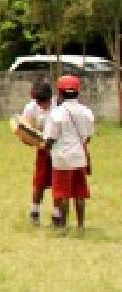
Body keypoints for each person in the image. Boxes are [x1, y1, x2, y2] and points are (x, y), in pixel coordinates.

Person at [43, 74, 94, 231]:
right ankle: (80, 225)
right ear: (78, 91)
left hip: (62, 157)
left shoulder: (56, 113)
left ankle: (63, 225)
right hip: (79, 156)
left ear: (60, 93)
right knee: (79, 193)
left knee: (62, 193)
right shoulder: (87, 112)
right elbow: (88, 137)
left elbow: (50, 138)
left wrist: (45, 146)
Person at [21, 81, 54, 226]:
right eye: (39, 102)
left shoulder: (58, 106)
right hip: (42, 147)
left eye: (44, 102)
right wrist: (32, 140)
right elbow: (24, 130)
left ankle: (57, 213)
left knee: (58, 182)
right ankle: (34, 211)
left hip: (58, 147)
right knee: (39, 181)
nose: (42, 105)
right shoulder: (30, 108)